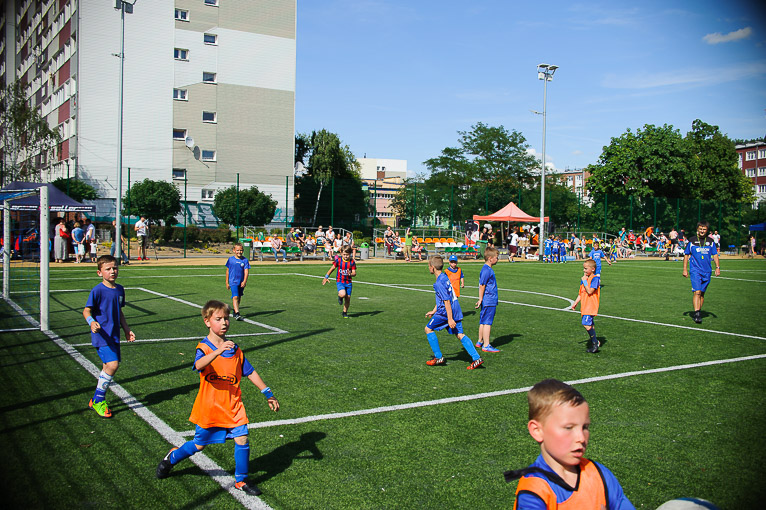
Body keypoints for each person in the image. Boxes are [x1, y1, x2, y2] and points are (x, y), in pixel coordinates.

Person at [155, 300, 279, 496]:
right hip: (210, 407)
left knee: (242, 438)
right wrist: (218, 351)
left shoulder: (235, 349)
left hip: (233, 406)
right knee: (199, 445)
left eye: (226, 319)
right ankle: (172, 457)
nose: (224, 323)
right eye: (218, 319)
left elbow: (249, 371)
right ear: (207, 321)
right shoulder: (204, 348)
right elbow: (198, 365)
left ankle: (241, 480)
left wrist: (268, 393)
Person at [504, 379, 635, 509]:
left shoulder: (599, 474)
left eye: (585, 427)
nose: (581, 438)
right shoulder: (534, 490)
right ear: (537, 431)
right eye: (568, 428)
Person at [83, 255, 136, 418]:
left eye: (115, 268)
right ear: (100, 273)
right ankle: (99, 400)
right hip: (101, 335)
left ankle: (96, 399)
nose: (112, 271)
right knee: (113, 365)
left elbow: (119, 311)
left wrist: (126, 329)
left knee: (108, 366)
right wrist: (92, 322)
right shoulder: (97, 290)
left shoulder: (120, 289)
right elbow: (86, 310)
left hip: (114, 335)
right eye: (108, 269)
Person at [424, 255, 484, 369]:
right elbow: (445, 297)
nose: (428, 268)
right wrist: (434, 310)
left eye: (428, 266)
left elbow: (446, 301)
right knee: (460, 334)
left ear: (432, 267)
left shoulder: (439, 283)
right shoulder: (444, 277)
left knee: (428, 329)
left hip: (446, 312)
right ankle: (477, 358)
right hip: (455, 308)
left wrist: (450, 319)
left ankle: (438, 357)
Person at [682, 221, 720, 324]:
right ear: (697, 229)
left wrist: (717, 267)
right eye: (700, 229)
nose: (702, 231)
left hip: (707, 271)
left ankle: (698, 311)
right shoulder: (692, 241)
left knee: (702, 293)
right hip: (695, 270)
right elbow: (686, 255)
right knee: (697, 292)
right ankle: (697, 314)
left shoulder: (711, 242)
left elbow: (715, 255)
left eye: (704, 229)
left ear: (707, 230)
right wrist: (685, 269)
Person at [570, 259, 602, 353]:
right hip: (584, 305)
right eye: (584, 268)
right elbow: (581, 293)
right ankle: (595, 342)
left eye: (586, 268)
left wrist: (585, 281)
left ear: (592, 269)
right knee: (590, 324)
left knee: (586, 323)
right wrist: (575, 302)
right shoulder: (584, 279)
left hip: (590, 305)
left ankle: (595, 343)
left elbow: (590, 291)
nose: (584, 270)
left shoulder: (595, 279)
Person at [475, 246, 500, 353]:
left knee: (483, 321)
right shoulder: (487, 270)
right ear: (490, 258)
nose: (497, 259)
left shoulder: (487, 269)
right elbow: (482, 285)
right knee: (487, 322)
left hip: (488, 299)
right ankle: (486, 345)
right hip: (489, 300)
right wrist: (480, 299)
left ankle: (480, 341)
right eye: (496, 257)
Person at [323, 246, 356, 318]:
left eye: (347, 255)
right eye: (344, 254)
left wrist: (350, 274)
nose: (345, 256)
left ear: (350, 254)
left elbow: (354, 273)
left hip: (348, 282)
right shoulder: (339, 261)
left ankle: (344, 312)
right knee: (342, 294)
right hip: (340, 281)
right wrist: (326, 277)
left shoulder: (352, 262)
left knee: (348, 298)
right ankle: (340, 297)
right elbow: (332, 268)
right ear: (341, 254)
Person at [226, 243, 250, 321]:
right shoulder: (231, 259)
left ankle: (235, 310)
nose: (239, 252)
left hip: (241, 281)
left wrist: (244, 281)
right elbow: (228, 271)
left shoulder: (245, 260)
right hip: (233, 281)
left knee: (239, 297)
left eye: (241, 250)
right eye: (237, 250)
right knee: (235, 296)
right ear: (234, 250)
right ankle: (237, 313)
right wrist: (227, 282)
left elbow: (246, 271)